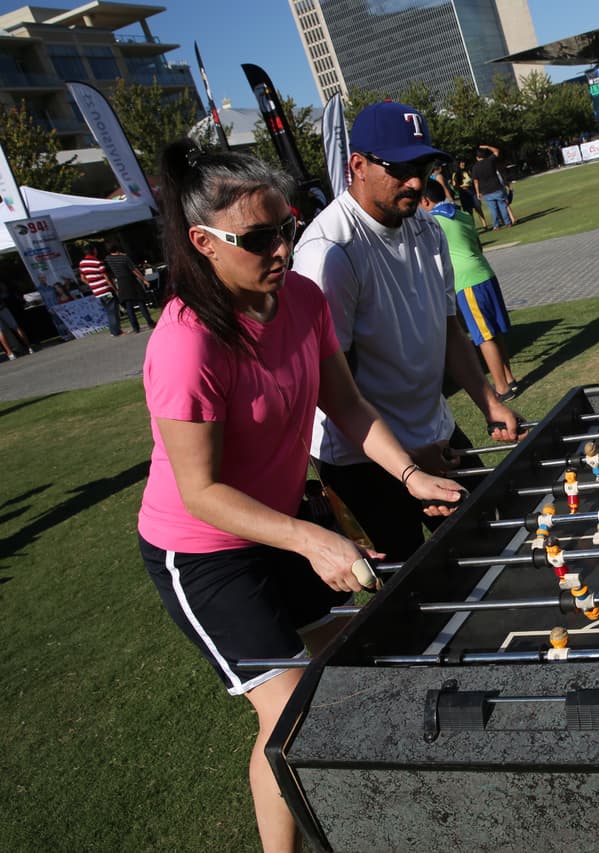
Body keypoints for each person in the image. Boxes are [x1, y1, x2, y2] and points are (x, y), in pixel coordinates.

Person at [137, 140, 464, 853]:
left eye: (287, 227)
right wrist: (312, 537)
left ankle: (365, 804)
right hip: (202, 549)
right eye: (259, 238)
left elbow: (348, 406)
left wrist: (409, 474)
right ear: (204, 243)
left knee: (348, 659)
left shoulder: (305, 300)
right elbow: (201, 491)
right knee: (287, 710)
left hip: (279, 523)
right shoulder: (186, 344)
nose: (282, 248)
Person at [293, 101, 523, 563]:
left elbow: (449, 328)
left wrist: (489, 401)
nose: (416, 181)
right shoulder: (329, 253)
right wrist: (408, 462)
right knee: (416, 588)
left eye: (422, 166)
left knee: (494, 549)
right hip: (362, 458)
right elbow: (331, 385)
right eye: (400, 168)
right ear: (357, 165)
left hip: (434, 429)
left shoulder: (427, 229)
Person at [419, 179, 520, 400]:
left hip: (466, 283)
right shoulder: (461, 214)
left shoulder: (432, 222)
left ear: (425, 200)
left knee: (483, 337)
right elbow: (477, 245)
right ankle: (509, 378)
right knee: (494, 332)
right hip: (485, 273)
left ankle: (502, 388)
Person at [103, 243, 155, 333]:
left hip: (121, 282)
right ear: (118, 249)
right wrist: (143, 279)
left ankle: (135, 327)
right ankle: (150, 322)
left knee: (128, 305)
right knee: (140, 301)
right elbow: (134, 270)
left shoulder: (108, 259)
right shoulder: (124, 258)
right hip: (131, 280)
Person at [472, 144, 514, 229]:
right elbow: (496, 151)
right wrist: (487, 147)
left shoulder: (475, 167)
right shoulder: (490, 161)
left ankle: (496, 225)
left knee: (493, 209)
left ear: (477, 157)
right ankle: (508, 222)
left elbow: (475, 181)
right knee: (503, 206)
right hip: (497, 187)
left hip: (486, 191)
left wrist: (477, 192)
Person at [0, 280, 36, 359]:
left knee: (1, 332)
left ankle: (10, 353)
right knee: (15, 327)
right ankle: (29, 347)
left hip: (3, 307)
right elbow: (4, 291)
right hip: (2, 307)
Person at [453, 157, 488, 228]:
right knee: (469, 211)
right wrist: (461, 186)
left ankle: (485, 224)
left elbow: (474, 180)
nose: (463, 164)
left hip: (472, 191)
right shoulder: (455, 174)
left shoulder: (468, 171)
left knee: (478, 207)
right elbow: (454, 185)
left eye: (463, 162)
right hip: (464, 193)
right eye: (461, 162)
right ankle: (473, 227)